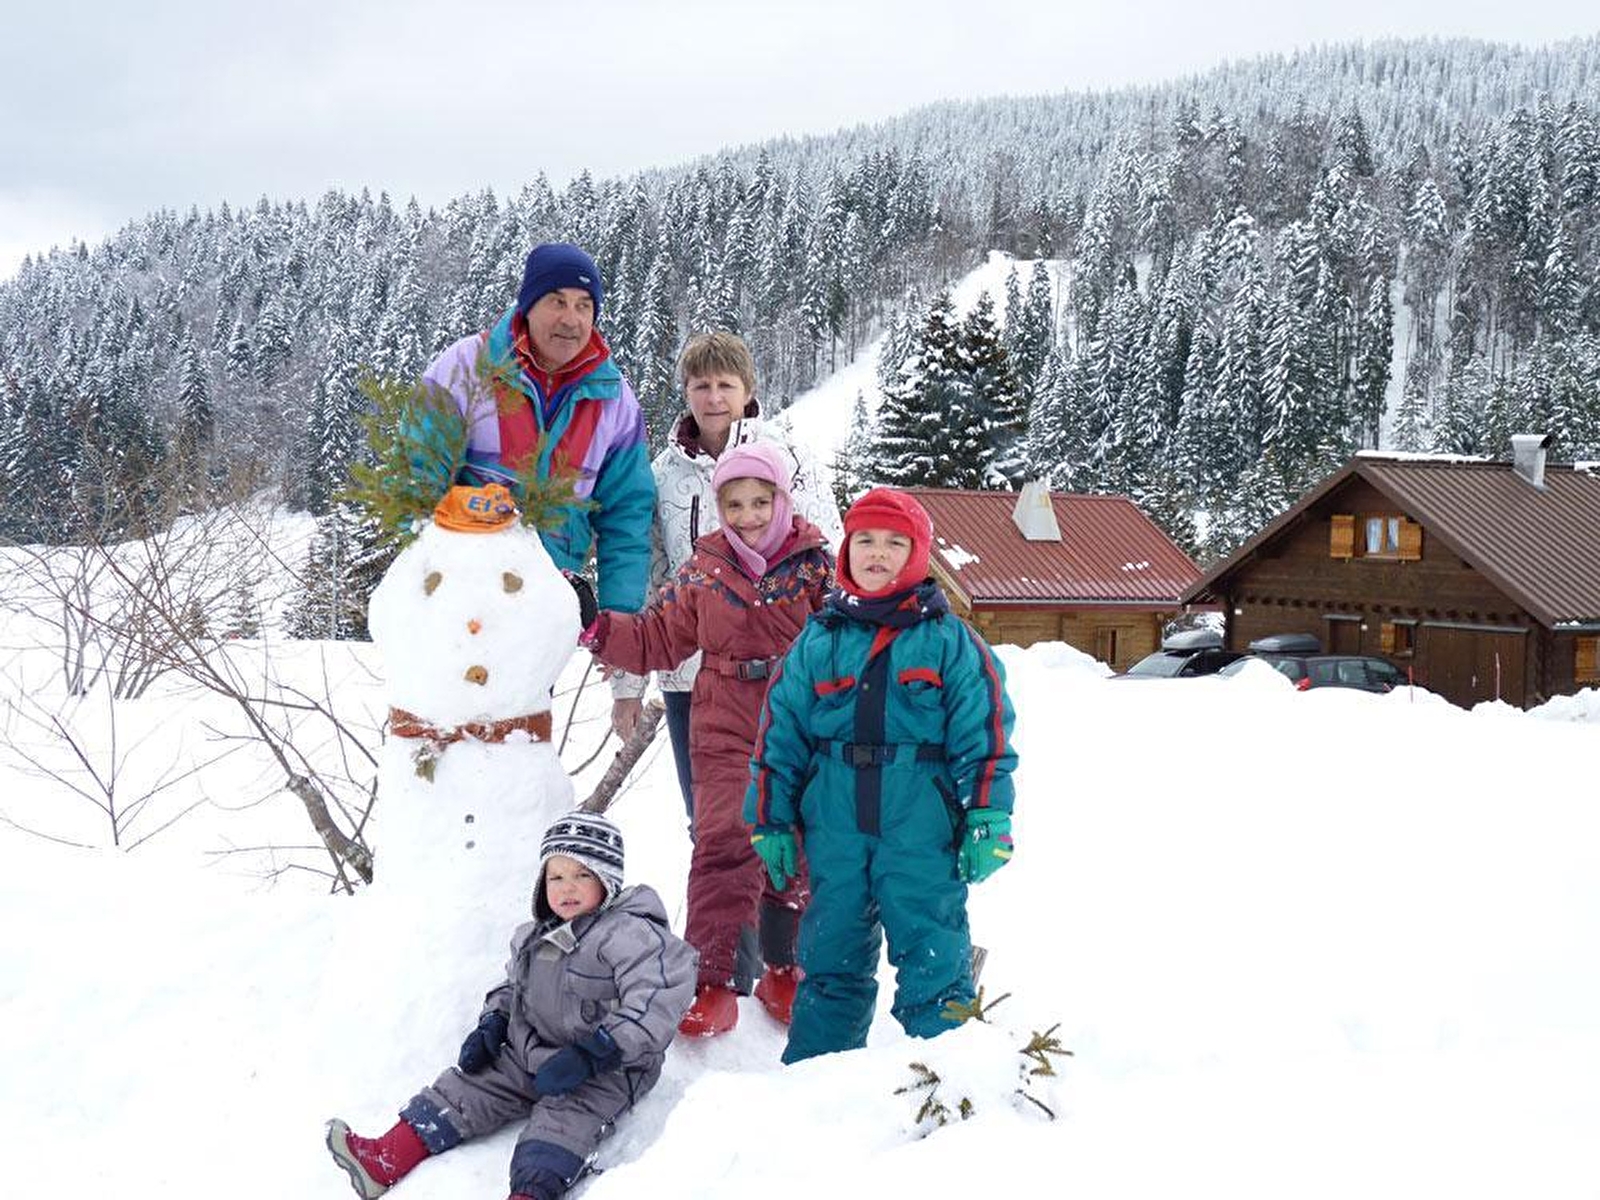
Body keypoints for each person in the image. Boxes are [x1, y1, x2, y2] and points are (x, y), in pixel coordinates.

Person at [742, 487, 1018, 1065]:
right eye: (865, 540)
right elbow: (780, 735)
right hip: (835, 828)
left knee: (933, 954)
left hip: (920, 827)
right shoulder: (819, 639)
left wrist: (989, 814)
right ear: (846, 551)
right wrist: (771, 818)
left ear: (918, 555)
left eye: (896, 543)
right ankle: (816, 1083)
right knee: (830, 959)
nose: (878, 553)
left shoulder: (949, 641)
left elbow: (985, 733)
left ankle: (945, 1080)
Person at [611, 331, 843, 995]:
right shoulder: (663, 474)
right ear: (685, 392)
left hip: (789, 681)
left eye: (725, 385)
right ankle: (726, 971)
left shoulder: (788, 455)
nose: (713, 397)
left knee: (791, 818)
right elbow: (648, 575)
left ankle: (787, 960)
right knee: (714, 826)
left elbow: (825, 556)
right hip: (694, 679)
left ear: (747, 391)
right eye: (701, 385)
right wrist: (627, 683)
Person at [585, 443, 833, 1036]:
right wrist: (597, 627)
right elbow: (657, 637)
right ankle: (712, 981)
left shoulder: (814, 565)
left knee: (797, 840)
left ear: (781, 499)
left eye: (760, 502)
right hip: (723, 716)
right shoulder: (705, 567)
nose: (748, 516)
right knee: (723, 838)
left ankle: (786, 969)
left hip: (798, 717)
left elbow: (851, 638)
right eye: (734, 504)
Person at [325, 812, 696, 1200]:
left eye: (582, 875)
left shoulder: (631, 934)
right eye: (556, 877)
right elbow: (512, 986)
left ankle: (529, 1194)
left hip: (605, 1068)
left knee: (561, 1126)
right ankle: (384, 1159)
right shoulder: (533, 936)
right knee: (467, 1088)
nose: (567, 887)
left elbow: (657, 999)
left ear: (607, 879)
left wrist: (596, 1052)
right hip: (529, 1053)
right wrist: (494, 1021)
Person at [415, 242, 655, 737]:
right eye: (557, 301)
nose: (571, 319)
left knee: (520, 745)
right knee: (446, 746)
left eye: (584, 306)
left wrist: (620, 616)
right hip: (463, 603)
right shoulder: (467, 367)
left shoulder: (612, 398)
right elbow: (418, 478)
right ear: (528, 304)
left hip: (543, 607)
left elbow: (627, 514)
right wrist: (427, 579)